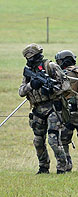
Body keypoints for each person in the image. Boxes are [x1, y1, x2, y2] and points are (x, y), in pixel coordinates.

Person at [19, 43, 70, 174]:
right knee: (38, 141)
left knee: (53, 139)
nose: (30, 60)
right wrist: (32, 84)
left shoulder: (51, 66)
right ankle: (43, 167)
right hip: (38, 109)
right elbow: (21, 92)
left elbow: (65, 85)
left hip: (53, 107)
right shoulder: (28, 72)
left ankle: (62, 168)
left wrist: (52, 89)